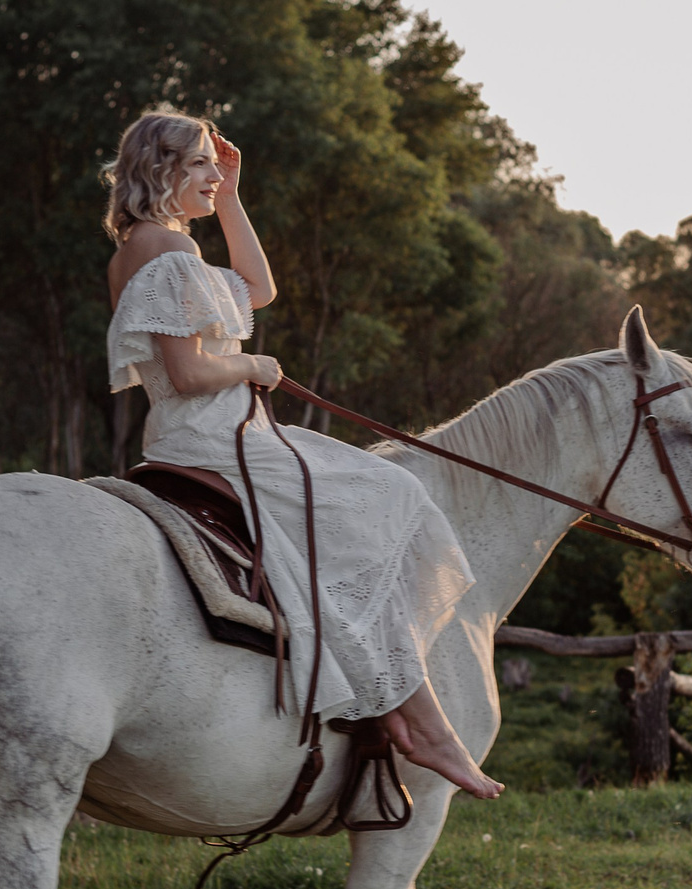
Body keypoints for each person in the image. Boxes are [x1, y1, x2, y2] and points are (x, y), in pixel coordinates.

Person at [103, 106, 503, 800]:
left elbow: (259, 290)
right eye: (197, 164)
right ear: (161, 169)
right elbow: (190, 373)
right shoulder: (169, 251)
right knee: (390, 497)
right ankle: (423, 721)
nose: (210, 176)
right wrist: (252, 365)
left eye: (212, 165)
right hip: (215, 434)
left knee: (359, 518)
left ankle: (397, 702)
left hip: (205, 430)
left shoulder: (144, 249)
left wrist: (232, 198)